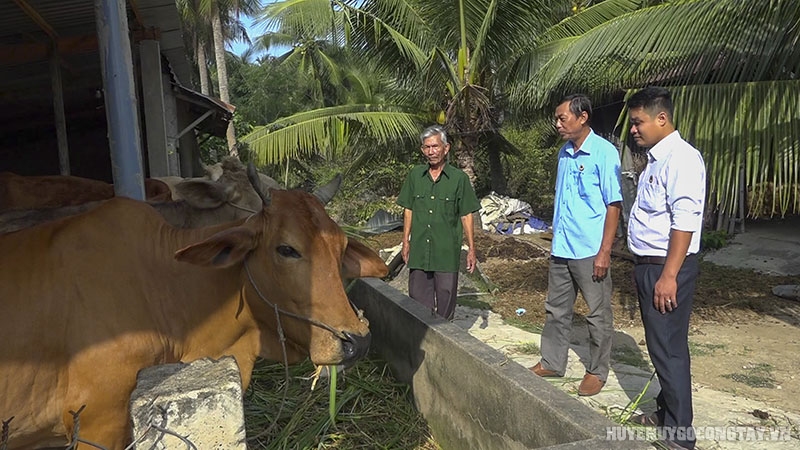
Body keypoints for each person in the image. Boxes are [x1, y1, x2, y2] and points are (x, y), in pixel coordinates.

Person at [626, 86, 705, 450]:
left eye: (638, 122)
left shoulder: (682, 160)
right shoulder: (656, 160)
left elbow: (684, 222)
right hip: (650, 265)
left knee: (669, 349)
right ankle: (665, 410)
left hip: (666, 268)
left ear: (662, 118)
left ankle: (679, 435)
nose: (633, 129)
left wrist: (669, 276)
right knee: (662, 346)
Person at [529, 94, 623, 397]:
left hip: (589, 250)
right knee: (556, 309)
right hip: (562, 247)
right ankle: (552, 362)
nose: (557, 124)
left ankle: (597, 371)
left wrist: (604, 251)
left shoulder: (604, 153)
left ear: (583, 118)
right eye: (556, 119)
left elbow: (614, 204)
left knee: (597, 314)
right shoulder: (564, 153)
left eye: (562, 118)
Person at [397, 125, 481, 320]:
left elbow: (466, 214)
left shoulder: (459, 179)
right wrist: (406, 241)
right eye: (427, 147)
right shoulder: (415, 176)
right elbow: (408, 209)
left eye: (435, 146)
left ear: (446, 148)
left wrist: (471, 248)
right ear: (422, 150)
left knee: (445, 300)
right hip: (419, 249)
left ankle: (445, 342)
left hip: (446, 251)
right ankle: (423, 343)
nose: (431, 151)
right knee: (417, 302)